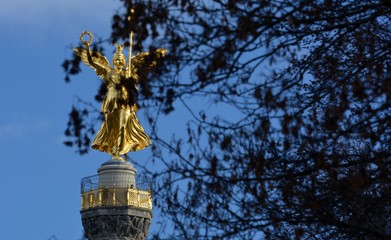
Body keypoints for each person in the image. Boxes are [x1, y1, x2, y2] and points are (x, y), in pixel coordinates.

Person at [74, 31, 166, 160]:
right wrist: (88, 47)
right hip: (111, 100)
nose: (118, 60)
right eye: (116, 59)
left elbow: (138, 75)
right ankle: (112, 148)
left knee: (123, 124)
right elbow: (92, 62)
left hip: (125, 100)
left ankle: (119, 150)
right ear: (113, 61)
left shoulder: (128, 73)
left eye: (121, 59)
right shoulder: (107, 71)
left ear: (123, 61)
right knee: (111, 127)